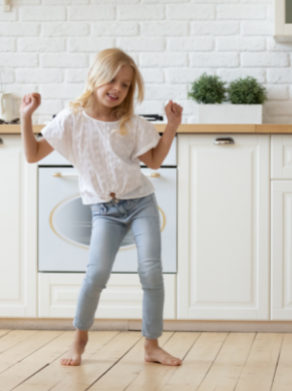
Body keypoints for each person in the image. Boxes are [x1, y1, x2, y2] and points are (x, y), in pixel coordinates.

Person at [20, 48, 183, 367]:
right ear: (95, 77)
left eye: (125, 85)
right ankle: (79, 339)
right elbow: (32, 154)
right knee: (96, 275)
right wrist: (26, 117)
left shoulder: (131, 123)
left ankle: (152, 345)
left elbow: (154, 161)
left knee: (151, 271)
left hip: (140, 204)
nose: (118, 89)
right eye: (112, 80)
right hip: (104, 211)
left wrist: (172, 126)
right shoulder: (71, 118)